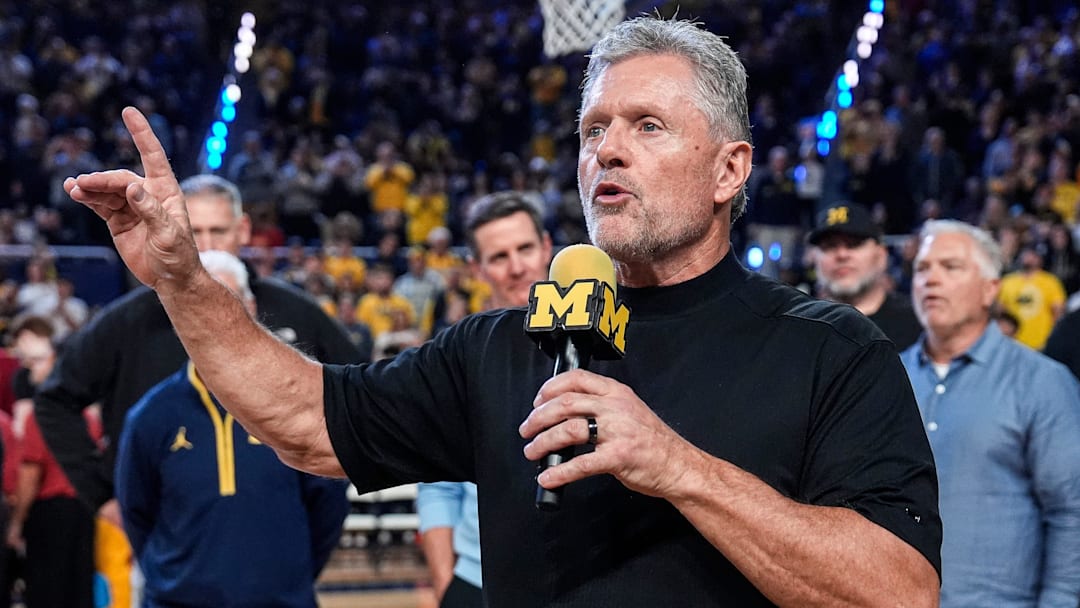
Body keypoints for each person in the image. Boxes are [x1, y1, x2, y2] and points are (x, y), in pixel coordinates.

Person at [65, 17, 940, 606]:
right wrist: (181, 277)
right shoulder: (502, 348)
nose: (608, 151)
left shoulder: (829, 350)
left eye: (647, 126)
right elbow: (302, 421)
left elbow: (901, 590)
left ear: (729, 171)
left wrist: (676, 465)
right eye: (594, 129)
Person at [35, 174, 363, 607]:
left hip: (278, 567)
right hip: (168, 556)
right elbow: (55, 399)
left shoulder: (296, 312)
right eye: (195, 232)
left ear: (243, 231)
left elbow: (358, 394)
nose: (205, 246)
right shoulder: (130, 319)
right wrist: (102, 495)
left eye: (218, 232)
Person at [115, 251, 348, 607]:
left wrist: (288, 577)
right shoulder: (150, 416)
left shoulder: (294, 405)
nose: (213, 317)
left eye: (228, 300)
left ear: (252, 308)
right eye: (196, 304)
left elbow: (328, 505)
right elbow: (136, 514)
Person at [899, 220, 1080, 606]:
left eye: (951, 268)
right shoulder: (885, 379)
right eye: (923, 269)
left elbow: (1071, 513)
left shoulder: (1042, 382)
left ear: (990, 289)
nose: (931, 280)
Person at [417, 192, 554, 607]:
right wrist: (446, 584)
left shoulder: (599, 338)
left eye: (525, 249)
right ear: (476, 269)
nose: (517, 267)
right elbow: (437, 485)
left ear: (547, 247)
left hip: (574, 580)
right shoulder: (457, 358)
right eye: (499, 257)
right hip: (477, 582)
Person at [7, 316, 98, 608]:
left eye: (36, 360)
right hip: (84, 511)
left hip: (50, 513)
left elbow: (31, 471)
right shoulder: (86, 416)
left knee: (48, 591)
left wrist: (17, 522)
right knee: (79, 590)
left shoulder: (42, 415)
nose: (29, 367)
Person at [808, 202, 922, 350]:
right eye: (829, 246)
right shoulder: (798, 328)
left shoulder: (918, 325)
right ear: (815, 259)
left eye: (854, 244)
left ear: (881, 255)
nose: (842, 255)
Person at [996, 245, 1066, 350]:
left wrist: (1054, 337)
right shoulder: (1008, 281)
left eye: (1033, 255)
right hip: (1012, 342)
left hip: (1041, 343)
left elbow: (1058, 312)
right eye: (1026, 254)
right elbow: (1000, 312)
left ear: (1040, 259)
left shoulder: (1050, 282)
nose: (1029, 258)